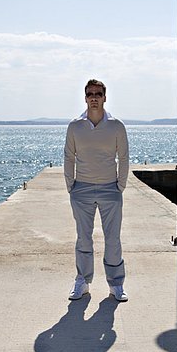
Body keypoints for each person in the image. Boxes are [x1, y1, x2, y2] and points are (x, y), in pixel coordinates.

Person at [64, 79, 129, 301]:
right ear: (85, 97)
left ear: (104, 97)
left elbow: (124, 157)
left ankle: (116, 284)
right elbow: (69, 157)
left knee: (113, 239)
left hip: (110, 188)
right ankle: (82, 281)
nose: (94, 97)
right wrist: (70, 186)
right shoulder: (75, 126)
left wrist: (120, 186)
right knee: (84, 238)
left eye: (98, 94)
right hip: (81, 189)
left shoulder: (116, 126)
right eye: (90, 94)